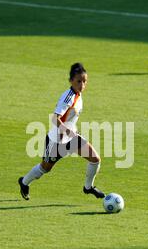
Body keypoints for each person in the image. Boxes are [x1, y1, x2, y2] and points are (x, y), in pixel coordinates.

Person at [18, 63, 105, 201]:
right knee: (44, 169)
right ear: (71, 81)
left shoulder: (78, 95)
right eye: (78, 81)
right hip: (56, 141)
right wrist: (67, 131)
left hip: (71, 138)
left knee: (95, 159)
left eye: (84, 81)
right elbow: (55, 118)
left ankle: (88, 187)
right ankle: (24, 182)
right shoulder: (68, 97)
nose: (82, 84)